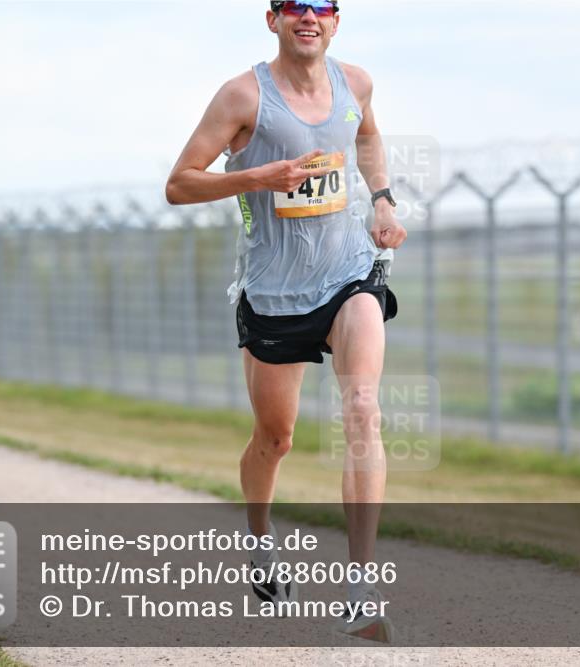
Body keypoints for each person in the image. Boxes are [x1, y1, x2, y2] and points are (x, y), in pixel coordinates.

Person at [165, 0, 406, 643]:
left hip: (348, 274)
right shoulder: (243, 96)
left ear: (335, 20)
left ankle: (361, 585)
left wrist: (381, 201)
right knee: (276, 437)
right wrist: (259, 178)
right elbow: (179, 183)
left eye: (322, 6)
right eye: (296, 6)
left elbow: (368, 137)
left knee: (362, 407)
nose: (310, 16)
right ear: (273, 19)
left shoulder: (356, 83)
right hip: (273, 291)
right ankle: (261, 539)